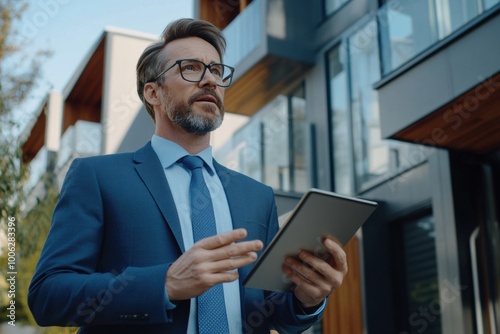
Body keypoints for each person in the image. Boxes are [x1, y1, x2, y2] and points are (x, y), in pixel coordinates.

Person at [28, 18, 348, 333]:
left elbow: (267, 311)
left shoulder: (258, 196)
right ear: (153, 93)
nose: (210, 80)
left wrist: (306, 300)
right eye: (191, 68)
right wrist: (165, 283)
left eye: (217, 71)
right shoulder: (97, 177)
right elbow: (47, 296)